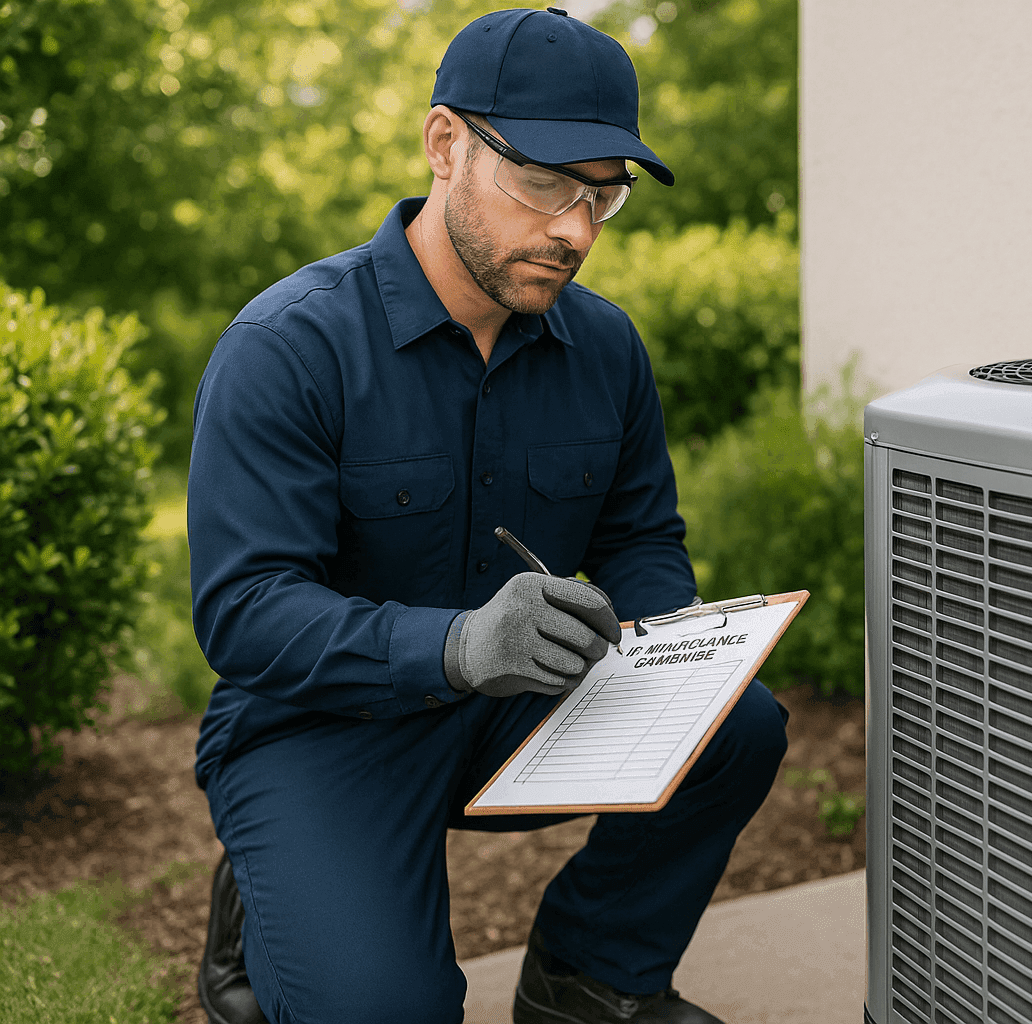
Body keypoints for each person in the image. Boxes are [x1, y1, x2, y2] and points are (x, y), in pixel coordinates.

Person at [187, 9, 788, 1023]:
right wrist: (460, 645)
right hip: (320, 724)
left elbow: (639, 539)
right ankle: (272, 889)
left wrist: (681, 656)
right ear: (444, 144)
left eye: (603, 195)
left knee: (738, 723)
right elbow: (245, 611)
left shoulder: (606, 349)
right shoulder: (287, 348)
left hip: (517, 706)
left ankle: (588, 977)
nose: (576, 230)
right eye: (546, 183)